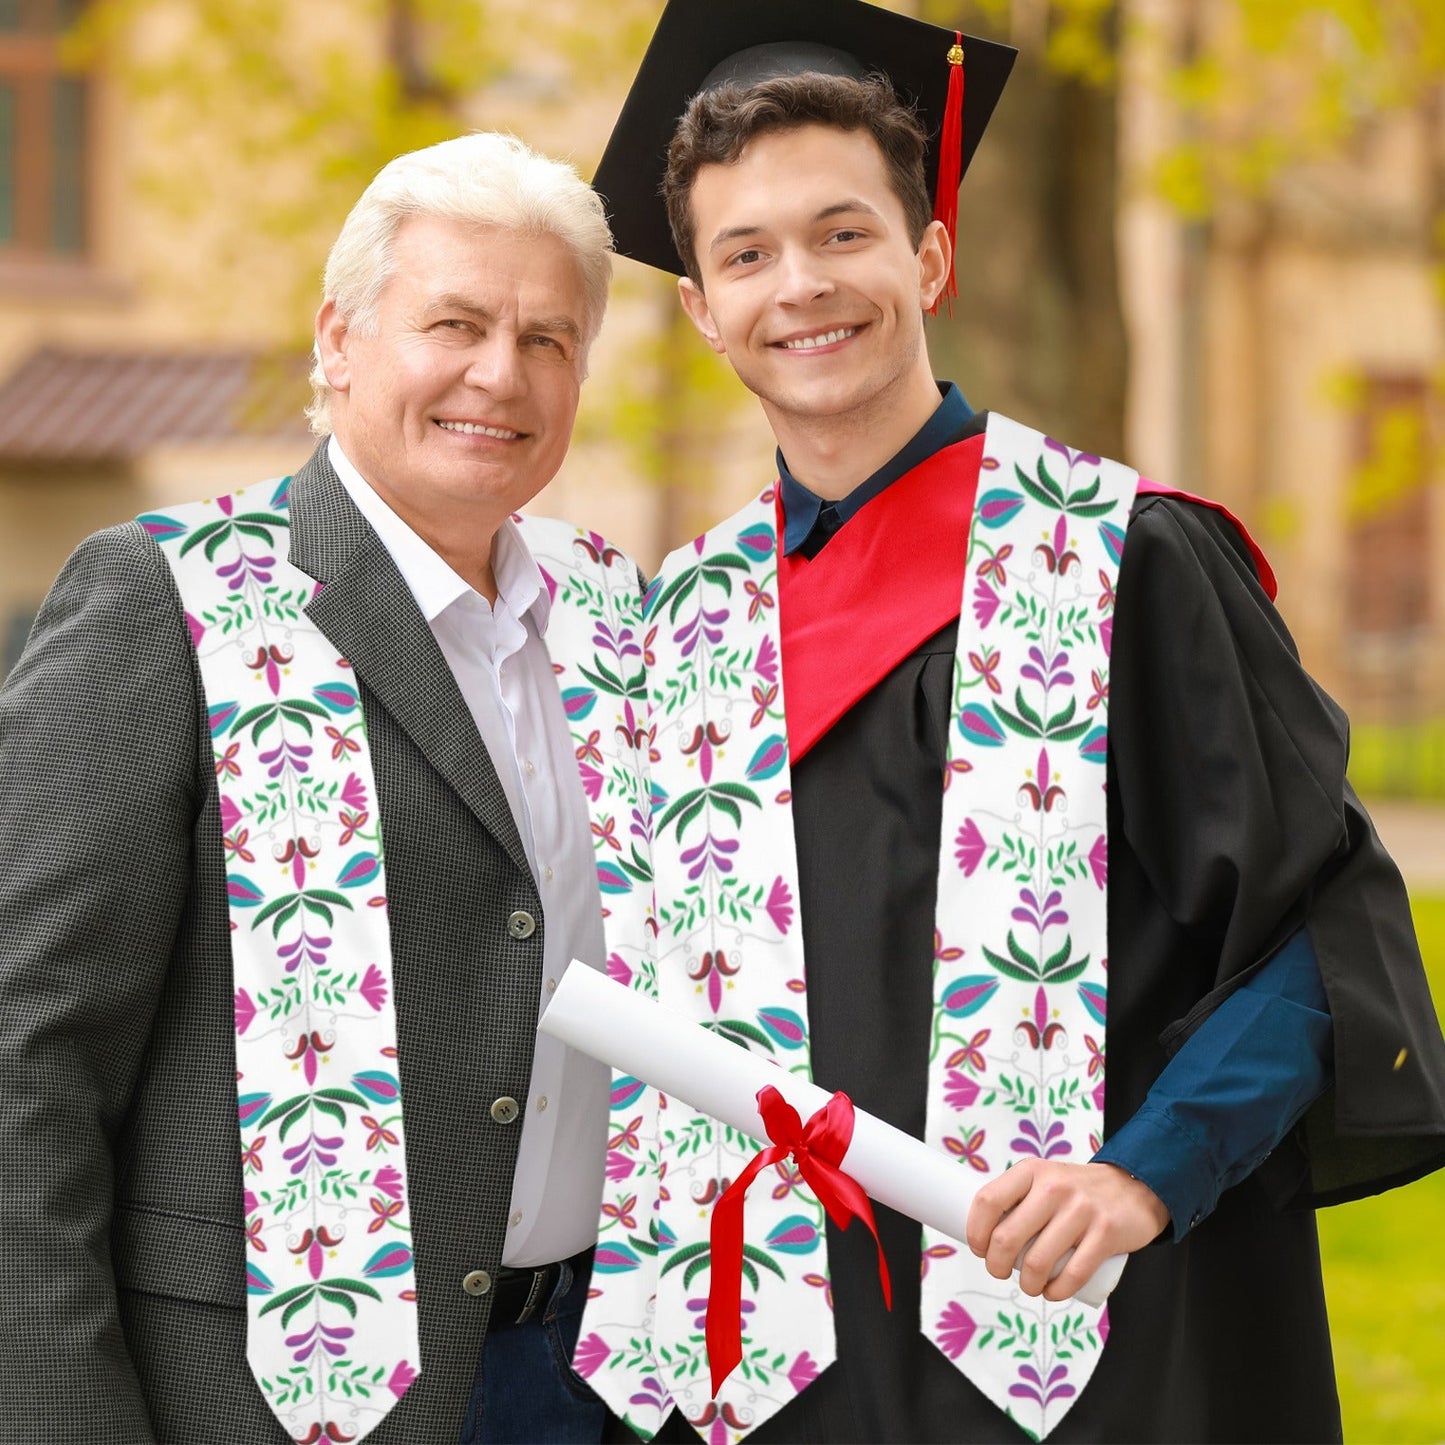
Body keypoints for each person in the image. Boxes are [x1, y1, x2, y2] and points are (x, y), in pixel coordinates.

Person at [567, 2, 1445, 1441]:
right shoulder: (686, 623)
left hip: (1088, 1345)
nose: (801, 285)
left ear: (928, 254)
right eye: (746, 254)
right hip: (777, 1370)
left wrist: (1143, 1173)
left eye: (843, 233)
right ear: (701, 308)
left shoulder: (1124, 557)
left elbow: (1317, 933)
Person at [0, 132, 654, 1445]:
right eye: (454, 322)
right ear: (339, 339)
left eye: (546, 338)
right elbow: (28, 1059)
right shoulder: (170, 598)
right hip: (264, 1397)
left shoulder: (615, 615)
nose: (499, 373)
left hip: (593, 1381)